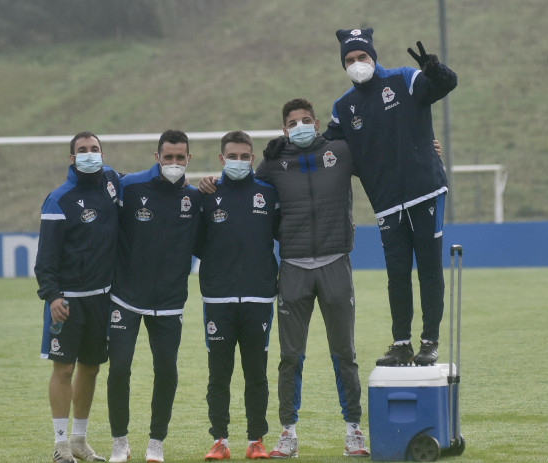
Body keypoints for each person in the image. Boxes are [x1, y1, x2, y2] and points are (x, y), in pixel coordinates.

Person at [200, 99, 369, 458]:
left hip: (336, 262)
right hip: (292, 268)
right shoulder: (274, 162)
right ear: (284, 129)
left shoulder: (341, 151)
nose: (300, 125)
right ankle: (287, 433)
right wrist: (211, 185)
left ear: (317, 122)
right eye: (293, 122)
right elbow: (243, 187)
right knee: (290, 356)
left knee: (345, 353)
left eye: (306, 120)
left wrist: (425, 148)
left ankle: (354, 429)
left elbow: (382, 158)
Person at [323, 28, 458, 366]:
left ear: (373, 56)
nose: (357, 64)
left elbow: (444, 86)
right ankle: (401, 344)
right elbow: (332, 151)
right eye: (350, 60)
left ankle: (429, 342)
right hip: (385, 201)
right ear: (343, 64)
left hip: (424, 191)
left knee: (428, 268)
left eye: (362, 57)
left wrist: (435, 69)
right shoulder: (343, 107)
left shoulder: (405, 79)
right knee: (396, 273)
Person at [107, 129, 202, 463]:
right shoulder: (130, 187)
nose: (173, 163)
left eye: (180, 158)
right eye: (168, 157)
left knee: (166, 370)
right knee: (118, 368)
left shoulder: (195, 198)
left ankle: (156, 443)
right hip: (125, 297)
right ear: (157, 156)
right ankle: (119, 442)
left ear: (188, 159)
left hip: (170, 301)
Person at [35, 131, 120, 463]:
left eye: (94, 149)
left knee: (91, 368)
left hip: (101, 298)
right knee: (63, 370)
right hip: (67, 301)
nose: (89, 154)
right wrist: (52, 296)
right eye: (82, 150)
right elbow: (46, 258)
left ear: (102, 153)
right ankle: (60, 445)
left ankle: (79, 441)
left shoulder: (112, 183)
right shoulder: (59, 199)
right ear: (72, 159)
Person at [195, 131, 280, 461]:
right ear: (221, 159)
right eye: (233, 156)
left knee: (256, 373)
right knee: (219, 374)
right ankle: (219, 440)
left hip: (259, 298)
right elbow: (197, 243)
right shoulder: (207, 195)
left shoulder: (268, 195)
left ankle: (256, 440)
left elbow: (281, 233)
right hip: (218, 299)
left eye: (246, 156)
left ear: (253, 158)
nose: (240, 161)